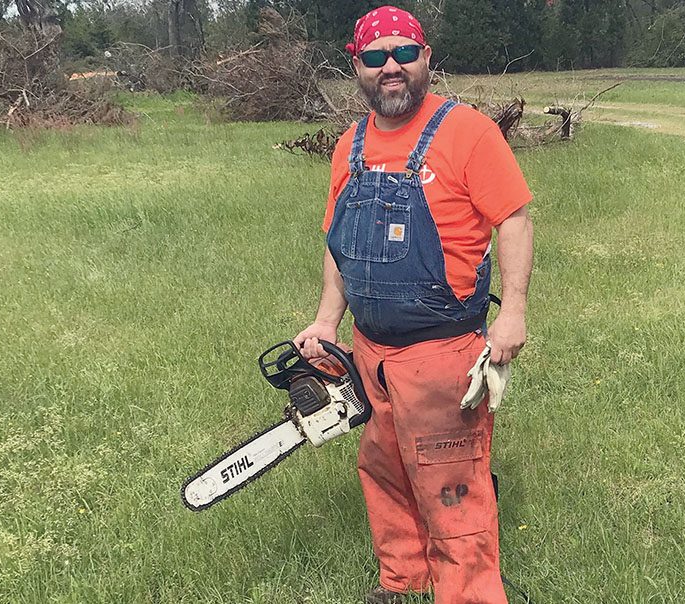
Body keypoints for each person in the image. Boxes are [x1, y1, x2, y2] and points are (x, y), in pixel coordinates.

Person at [294, 6, 534, 604]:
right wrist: (327, 321)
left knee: (452, 489)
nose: (391, 67)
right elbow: (339, 246)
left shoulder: (468, 132)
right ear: (358, 66)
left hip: (442, 353)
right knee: (386, 471)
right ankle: (402, 582)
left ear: (426, 58)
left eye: (404, 53)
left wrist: (514, 310)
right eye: (376, 57)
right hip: (371, 350)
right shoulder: (349, 146)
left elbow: (514, 218)